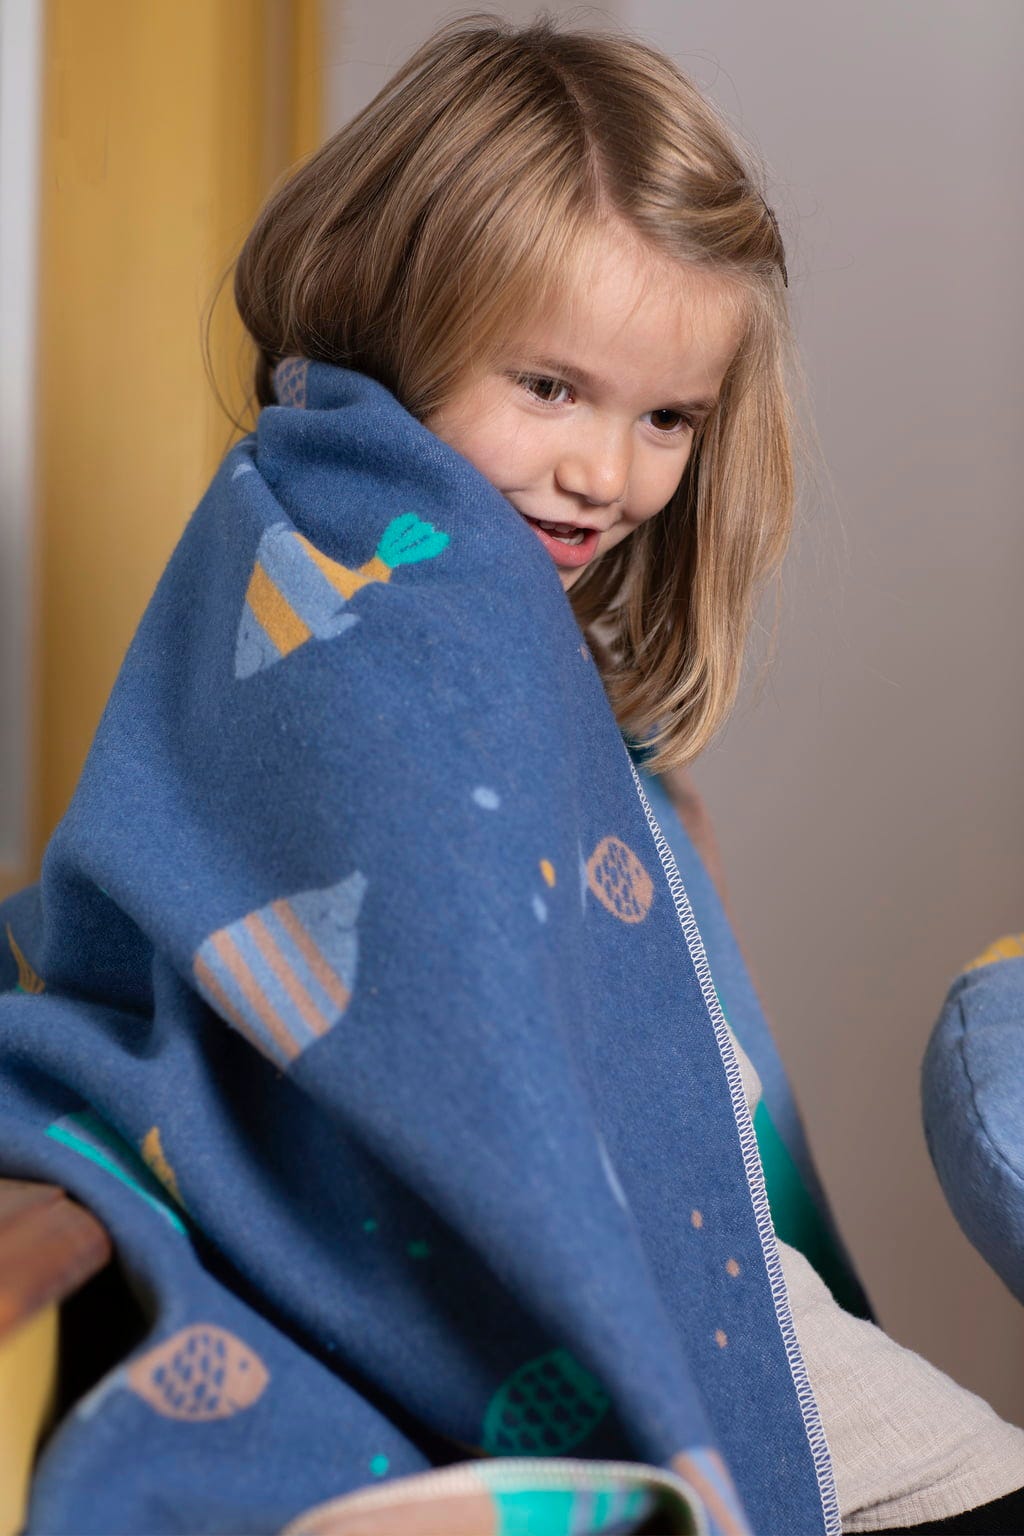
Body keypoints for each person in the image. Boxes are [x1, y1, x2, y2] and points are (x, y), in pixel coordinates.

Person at [1, 15, 1022, 1535]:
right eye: (550, 387)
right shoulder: (404, 602)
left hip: (710, 1258)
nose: (605, 472)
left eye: (667, 418)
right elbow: (427, 1001)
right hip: (646, 1281)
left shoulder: (342, 543)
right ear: (403, 313)